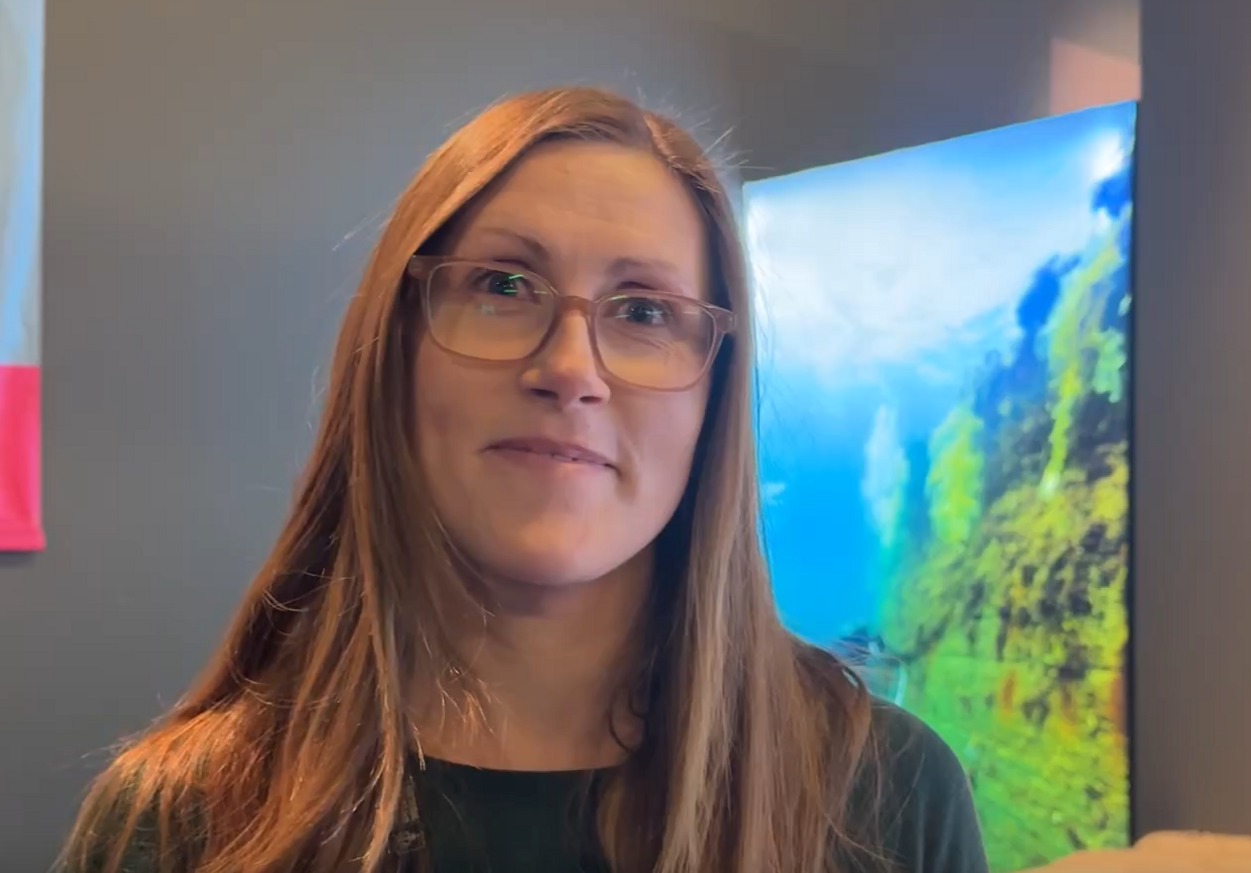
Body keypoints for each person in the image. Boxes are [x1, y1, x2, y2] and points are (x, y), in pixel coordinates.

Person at [60, 86, 988, 873]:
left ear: (715, 395)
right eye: (504, 285)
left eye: (644, 310)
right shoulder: (183, 818)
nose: (572, 368)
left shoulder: (887, 798)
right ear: (394, 353)